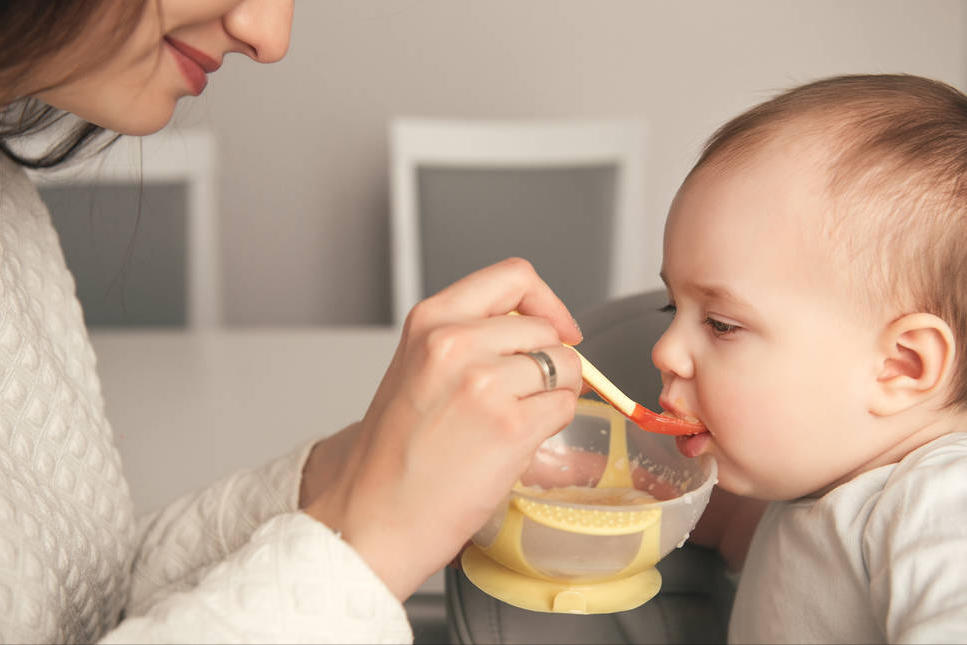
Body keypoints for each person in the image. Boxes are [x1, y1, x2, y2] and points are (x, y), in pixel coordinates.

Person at [0, 1, 584, 642]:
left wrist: (362, 469)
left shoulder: (11, 210)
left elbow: (84, 603)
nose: (268, 37)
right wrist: (373, 541)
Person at [655, 74, 967, 643]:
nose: (665, 351)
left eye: (721, 324)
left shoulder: (943, 501)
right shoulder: (812, 480)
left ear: (902, 366)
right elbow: (710, 521)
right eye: (669, 306)